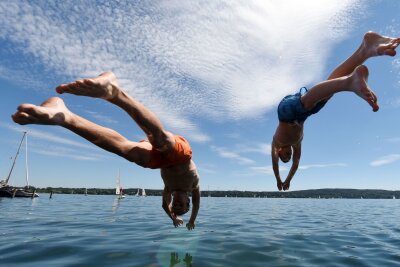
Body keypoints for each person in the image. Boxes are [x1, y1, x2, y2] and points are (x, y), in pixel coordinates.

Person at [12, 72, 200, 230]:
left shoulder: (168, 190)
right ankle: (114, 92)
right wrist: (191, 219)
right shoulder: (194, 186)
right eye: (181, 204)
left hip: (160, 161)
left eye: (176, 204)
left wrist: (173, 217)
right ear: (187, 201)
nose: (176, 202)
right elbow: (197, 204)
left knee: (132, 154)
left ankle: (65, 116)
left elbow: (164, 205)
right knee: (161, 140)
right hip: (179, 155)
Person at [272, 31, 400, 191]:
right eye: (288, 156)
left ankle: (349, 82)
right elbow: (296, 164)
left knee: (307, 102)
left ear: (279, 151)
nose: (289, 155)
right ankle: (365, 49)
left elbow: (275, 165)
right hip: (305, 114)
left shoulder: (276, 144)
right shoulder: (296, 145)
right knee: (327, 93)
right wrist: (289, 180)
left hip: (286, 111)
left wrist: (279, 179)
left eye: (285, 155)